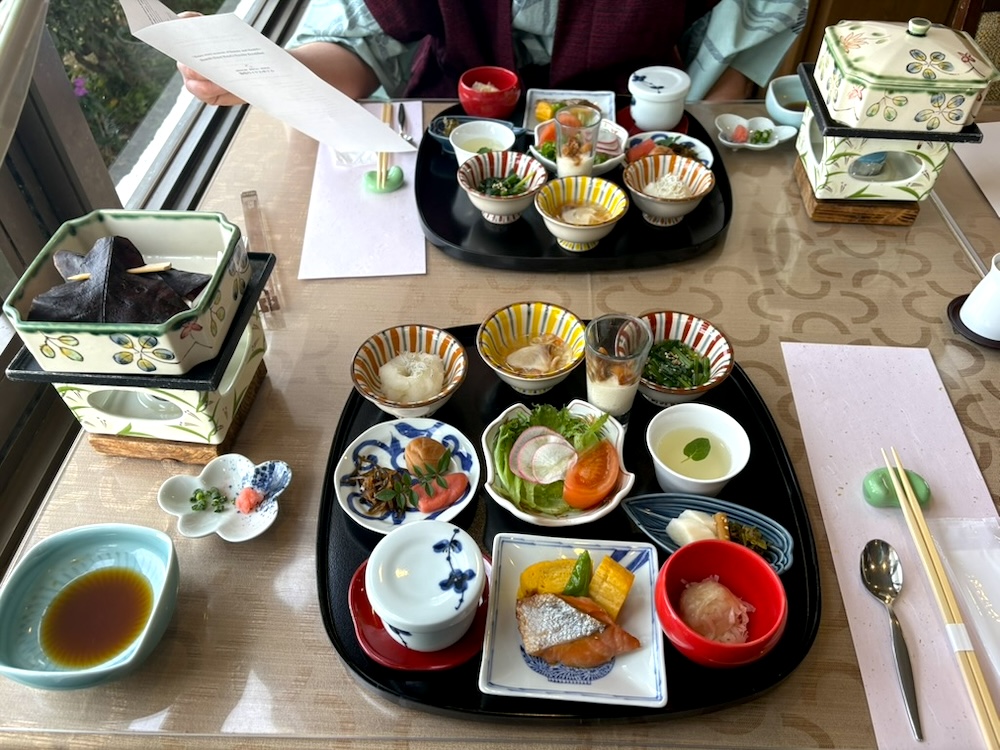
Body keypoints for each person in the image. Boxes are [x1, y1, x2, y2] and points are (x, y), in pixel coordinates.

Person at [179, 0, 808, 107]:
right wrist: (262, 70)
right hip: (453, 123)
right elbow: (360, 46)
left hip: (628, 121)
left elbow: (725, 82)